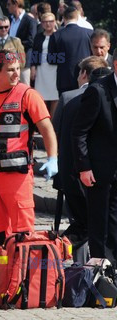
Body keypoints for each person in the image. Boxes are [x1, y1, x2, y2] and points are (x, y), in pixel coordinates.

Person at [0, 49, 58, 255]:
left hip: (17, 176)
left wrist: (53, 158)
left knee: (22, 230)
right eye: (10, 69)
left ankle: (24, 278)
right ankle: (0, 277)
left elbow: (46, 128)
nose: (16, 73)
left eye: (18, 69)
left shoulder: (28, 95)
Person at [52, 56, 108, 264]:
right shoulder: (100, 97)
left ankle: (56, 253)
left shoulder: (68, 97)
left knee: (83, 224)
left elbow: (58, 134)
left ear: (84, 73)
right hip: (89, 175)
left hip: (70, 174)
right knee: (92, 226)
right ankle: (53, 252)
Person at [71, 50, 117, 266]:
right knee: (99, 224)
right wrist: (84, 167)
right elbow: (79, 131)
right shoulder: (97, 91)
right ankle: (99, 271)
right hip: (99, 170)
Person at [47, 5, 92, 95]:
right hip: (85, 76)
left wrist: (63, 59)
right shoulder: (89, 33)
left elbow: (51, 59)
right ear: (77, 17)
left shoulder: (56, 35)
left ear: (63, 18)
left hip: (64, 79)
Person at [31, 12, 58, 117]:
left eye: (50, 21)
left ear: (54, 22)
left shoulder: (59, 35)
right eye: (45, 22)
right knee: (41, 96)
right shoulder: (38, 37)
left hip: (55, 69)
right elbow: (34, 52)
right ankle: (43, 120)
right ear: (41, 23)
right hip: (41, 69)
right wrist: (33, 67)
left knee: (55, 96)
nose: (48, 24)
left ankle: (53, 123)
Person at [6, 0, 38, 85]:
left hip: (24, 60)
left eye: (9, 4)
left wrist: (15, 45)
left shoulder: (30, 21)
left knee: (24, 87)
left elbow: (31, 41)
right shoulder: (9, 20)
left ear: (15, 4)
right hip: (9, 60)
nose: (7, 7)